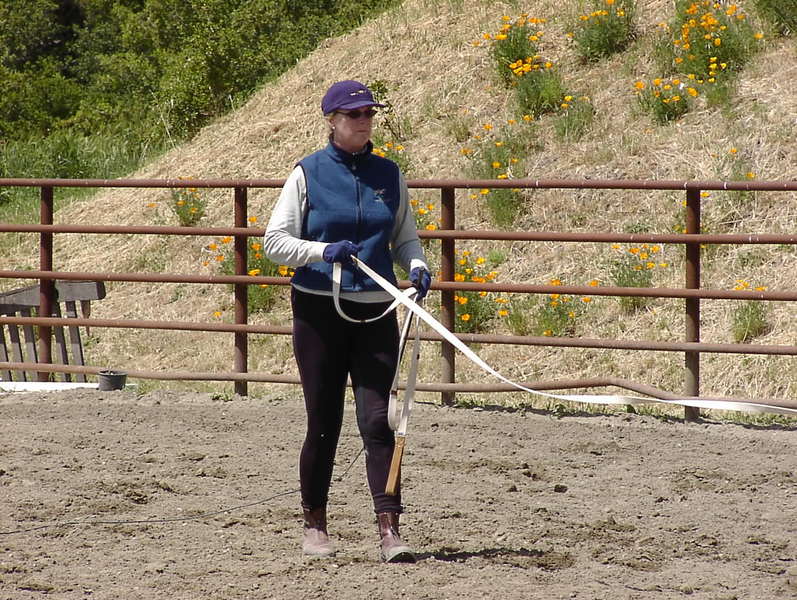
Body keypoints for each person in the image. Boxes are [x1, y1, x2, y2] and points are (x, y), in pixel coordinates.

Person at [263, 80, 432, 563]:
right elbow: (275, 243)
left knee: (379, 421)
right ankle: (314, 522)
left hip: (376, 311)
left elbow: (404, 236)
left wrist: (416, 264)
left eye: (369, 114)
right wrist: (322, 251)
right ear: (332, 121)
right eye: (354, 114)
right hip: (320, 312)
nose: (364, 121)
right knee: (324, 421)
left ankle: (389, 527)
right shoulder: (308, 173)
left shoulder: (389, 175)